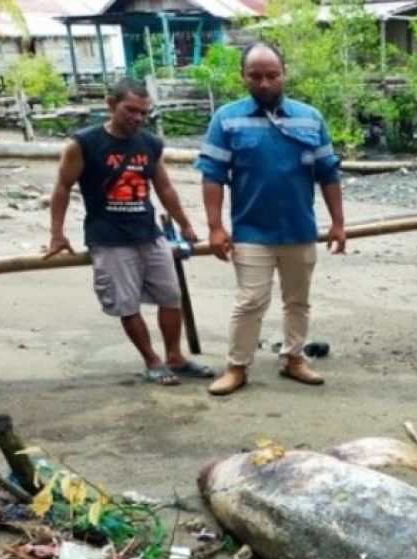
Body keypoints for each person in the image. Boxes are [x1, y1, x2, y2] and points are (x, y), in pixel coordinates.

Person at [44, 78, 215, 386]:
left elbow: (164, 187)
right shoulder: (83, 143)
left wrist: (186, 225)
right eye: (130, 110)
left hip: (149, 233)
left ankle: (174, 355)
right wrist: (57, 234)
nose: (137, 118)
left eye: (143, 113)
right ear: (111, 106)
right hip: (109, 237)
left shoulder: (149, 144)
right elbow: (62, 187)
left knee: (171, 296)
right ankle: (152, 360)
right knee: (127, 303)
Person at [198, 42, 346, 396]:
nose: (264, 83)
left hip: (299, 228)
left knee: (297, 300)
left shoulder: (310, 117)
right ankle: (237, 366)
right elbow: (212, 174)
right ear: (243, 77)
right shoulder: (226, 119)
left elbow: (328, 173)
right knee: (250, 301)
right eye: (255, 76)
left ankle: (294, 359)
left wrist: (338, 223)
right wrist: (216, 227)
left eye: (271, 75)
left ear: (284, 74)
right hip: (251, 230)